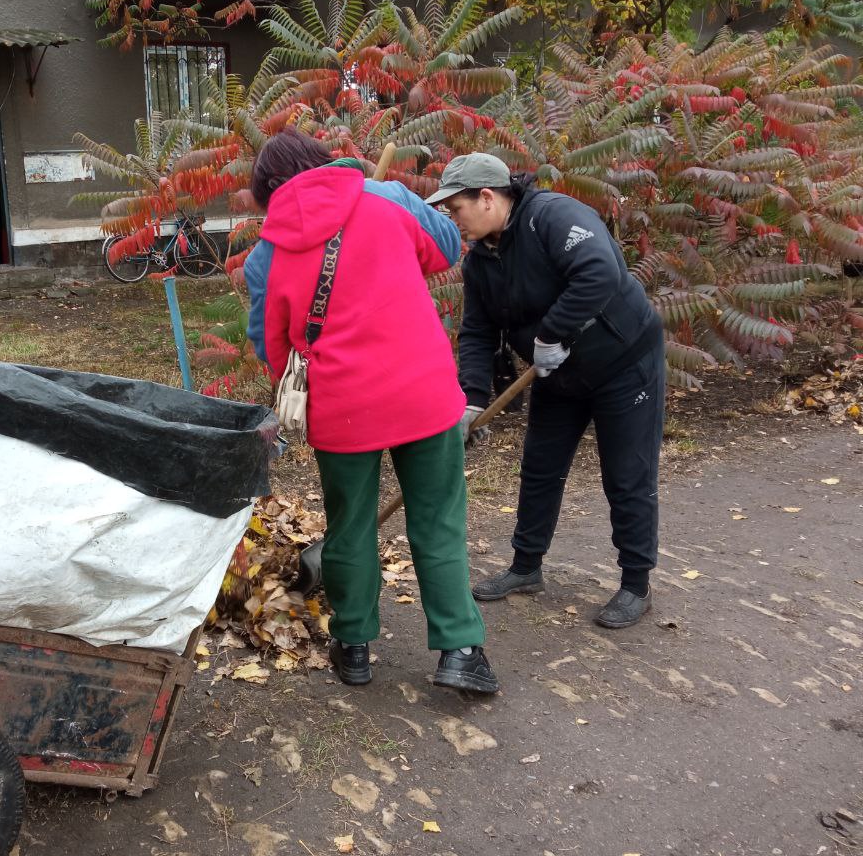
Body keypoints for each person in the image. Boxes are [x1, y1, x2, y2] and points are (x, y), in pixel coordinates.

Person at [245, 128, 498, 694]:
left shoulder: (267, 253)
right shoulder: (382, 197)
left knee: (350, 526)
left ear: (269, 193)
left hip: (340, 408)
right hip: (423, 394)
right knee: (436, 522)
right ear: (324, 162)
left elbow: (271, 347)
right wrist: (399, 201)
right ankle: (459, 650)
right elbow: (446, 249)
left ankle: (354, 647)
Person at [429, 153, 665, 629]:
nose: (453, 220)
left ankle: (636, 584)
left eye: (456, 209)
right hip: (557, 374)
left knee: (626, 474)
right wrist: (472, 400)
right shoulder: (480, 264)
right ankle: (526, 567)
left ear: (488, 197)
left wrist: (550, 334)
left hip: (624, 362)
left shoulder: (555, 217)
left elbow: (600, 271)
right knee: (540, 467)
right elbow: (476, 334)